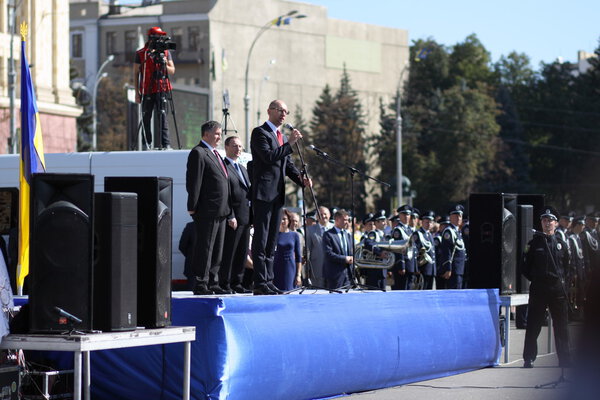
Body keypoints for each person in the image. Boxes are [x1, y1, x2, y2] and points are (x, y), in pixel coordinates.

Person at [250, 99, 310, 295]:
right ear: (269, 111)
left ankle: (268, 280)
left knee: (271, 241)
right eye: (280, 110)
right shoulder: (260, 133)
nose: (284, 114)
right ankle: (259, 282)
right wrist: (291, 143)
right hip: (263, 193)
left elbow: (287, 165)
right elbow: (268, 157)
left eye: (286, 111)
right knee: (261, 238)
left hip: (277, 195)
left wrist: (301, 180)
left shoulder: (282, 137)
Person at [185, 121, 232, 295]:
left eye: (220, 133)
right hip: (207, 210)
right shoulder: (198, 153)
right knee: (205, 248)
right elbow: (194, 181)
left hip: (221, 210)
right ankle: (201, 283)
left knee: (217, 250)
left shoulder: (216, 154)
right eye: (217, 134)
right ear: (206, 134)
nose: (220, 137)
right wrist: (192, 206)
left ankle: (213, 282)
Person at [522, 207, 571, 369]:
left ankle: (564, 359)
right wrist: (537, 279)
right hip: (539, 288)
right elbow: (526, 268)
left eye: (550, 220)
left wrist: (561, 283)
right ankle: (529, 357)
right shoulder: (534, 244)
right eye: (544, 220)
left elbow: (567, 267)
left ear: (556, 223)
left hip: (557, 289)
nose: (547, 223)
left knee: (561, 325)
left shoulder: (561, 244)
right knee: (534, 324)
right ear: (541, 223)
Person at [219, 136, 252, 294]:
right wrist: (230, 215)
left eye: (240, 146)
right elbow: (225, 195)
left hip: (245, 218)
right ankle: (225, 283)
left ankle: (237, 282)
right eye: (234, 146)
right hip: (233, 218)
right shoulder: (224, 167)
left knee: (242, 252)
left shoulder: (243, 169)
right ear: (226, 147)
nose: (238, 149)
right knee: (229, 253)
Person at [135, 26, 175, 150]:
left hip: (162, 87)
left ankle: (166, 143)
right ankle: (146, 143)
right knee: (146, 116)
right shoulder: (141, 53)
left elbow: (172, 70)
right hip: (147, 88)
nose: (160, 40)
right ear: (152, 38)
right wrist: (137, 92)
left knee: (162, 115)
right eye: (158, 37)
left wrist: (164, 62)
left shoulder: (166, 53)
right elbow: (135, 73)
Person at [322, 209, 354, 290]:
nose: (347, 222)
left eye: (347, 220)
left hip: (348, 275)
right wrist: (344, 259)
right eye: (344, 220)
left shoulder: (347, 235)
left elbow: (351, 251)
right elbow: (328, 254)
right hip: (335, 275)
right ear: (337, 220)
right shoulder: (328, 235)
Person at [273, 209, 302, 291]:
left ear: (289, 220)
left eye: (284, 219)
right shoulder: (274, 235)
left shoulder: (294, 235)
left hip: (290, 268)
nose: (282, 221)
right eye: (280, 219)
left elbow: (298, 257)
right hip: (277, 267)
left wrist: (298, 275)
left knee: (290, 290)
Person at [438, 205, 467, 289]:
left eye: (460, 216)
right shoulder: (449, 231)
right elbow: (447, 251)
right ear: (450, 217)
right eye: (455, 216)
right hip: (453, 270)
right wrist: (448, 268)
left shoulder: (457, 231)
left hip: (459, 269)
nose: (458, 218)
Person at [390, 205, 416, 290]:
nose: (406, 217)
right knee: (402, 289)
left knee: (409, 290)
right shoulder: (398, 230)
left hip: (410, 265)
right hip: (403, 267)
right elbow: (398, 249)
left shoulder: (409, 230)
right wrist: (401, 266)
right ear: (399, 216)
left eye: (408, 215)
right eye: (404, 214)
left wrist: (415, 267)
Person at [305, 206, 331, 287]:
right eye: (320, 214)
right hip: (317, 268)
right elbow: (308, 250)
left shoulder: (335, 228)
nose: (323, 216)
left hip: (333, 268)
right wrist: (307, 269)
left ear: (329, 215)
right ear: (316, 217)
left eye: (325, 214)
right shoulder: (310, 230)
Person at [415, 210, 436, 290]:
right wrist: (416, 268)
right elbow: (415, 252)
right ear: (422, 222)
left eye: (430, 222)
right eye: (426, 222)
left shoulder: (430, 235)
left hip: (430, 269)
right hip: (423, 269)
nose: (429, 224)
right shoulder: (418, 234)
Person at [178, 219, 196, 290]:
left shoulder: (190, 226)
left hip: (192, 266)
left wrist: (190, 256)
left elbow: (182, 246)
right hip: (209, 269)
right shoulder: (213, 226)